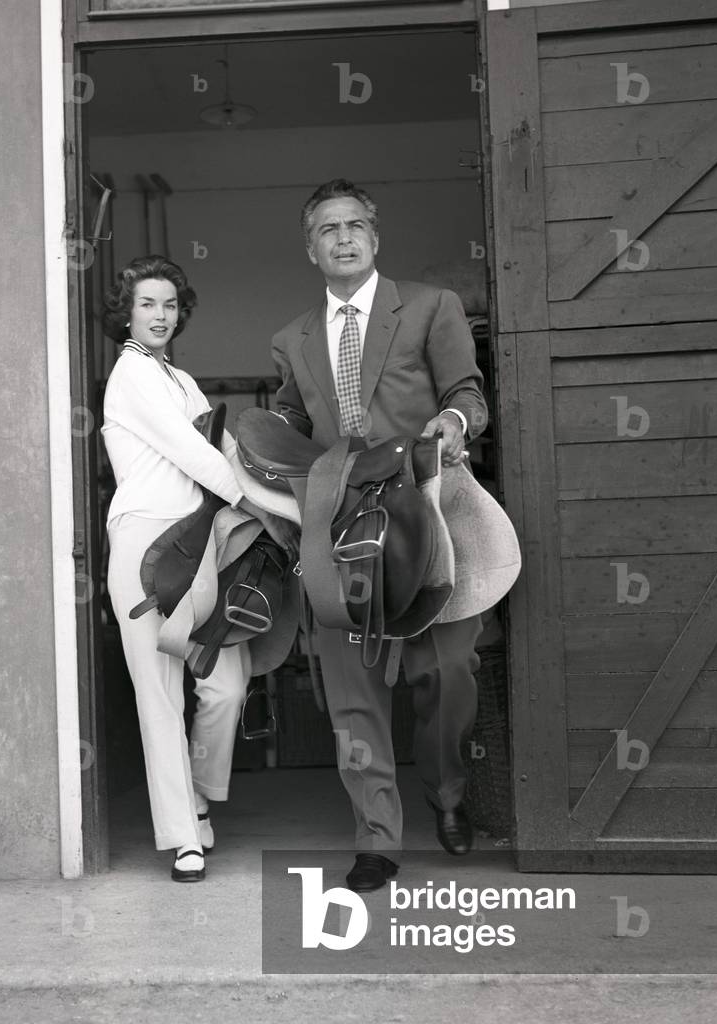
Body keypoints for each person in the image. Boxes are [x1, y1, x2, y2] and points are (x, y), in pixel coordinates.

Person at [271, 179, 489, 893]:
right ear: (310, 248)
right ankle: (376, 838)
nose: (343, 236)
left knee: (445, 670)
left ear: (375, 237)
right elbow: (286, 427)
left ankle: (447, 792)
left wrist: (455, 425)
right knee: (350, 686)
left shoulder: (431, 306)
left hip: (427, 512)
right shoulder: (291, 340)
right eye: (328, 228)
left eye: (356, 224)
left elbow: (466, 391)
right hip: (339, 526)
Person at [101, 254, 296, 883]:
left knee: (225, 685)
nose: (160, 315)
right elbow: (193, 453)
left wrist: (281, 495)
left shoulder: (179, 380)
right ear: (127, 312)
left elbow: (226, 452)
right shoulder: (131, 374)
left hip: (200, 542)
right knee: (158, 695)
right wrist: (263, 511)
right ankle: (183, 836)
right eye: (147, 304)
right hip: (144, 543)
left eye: (169, 305)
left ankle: (202, 795)